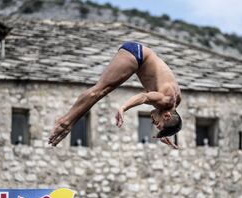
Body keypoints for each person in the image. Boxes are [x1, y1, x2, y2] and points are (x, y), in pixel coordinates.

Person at [48, 42, 182, 148]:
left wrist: (165, 133)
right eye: (157, 124)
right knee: (100, 90)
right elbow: (143, 97)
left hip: (139, 55)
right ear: (167, 115)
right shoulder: (166, 101)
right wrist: (124, 107)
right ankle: (65, 122)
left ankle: (68, 123)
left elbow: (173, 121)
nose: (153, 122)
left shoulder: (176, 101)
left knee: (102, 90)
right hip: (136, 55)